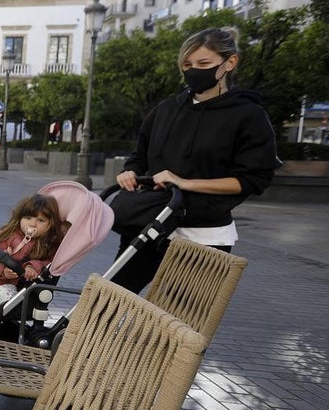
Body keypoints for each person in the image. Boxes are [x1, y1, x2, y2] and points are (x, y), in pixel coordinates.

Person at [112, 26, 279, 293]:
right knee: (108, 301)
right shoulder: (166, 109)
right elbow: (140, 155)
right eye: (187, 64)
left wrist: (185, 183)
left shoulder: (248, 115)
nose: (193, 70)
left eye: (204, 63)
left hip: (205, 234)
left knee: (178, 321)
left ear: (230, 62)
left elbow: (253, 179)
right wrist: (130, 172)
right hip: (150, 223)